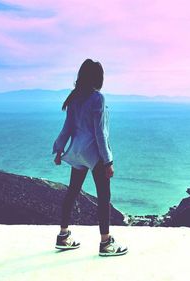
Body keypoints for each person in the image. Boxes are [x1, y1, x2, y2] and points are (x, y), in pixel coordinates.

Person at [52, 59, 128, 257]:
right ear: (98, 77)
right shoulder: (97, 98)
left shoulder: (74, 98)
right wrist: (108, 161)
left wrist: (59, 150)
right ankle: (105, 243)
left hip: (77, 153)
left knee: (72, 193)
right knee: (104, 197)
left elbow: (67, 128)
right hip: (94, 155)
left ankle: (63, 236)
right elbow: (100, 133)